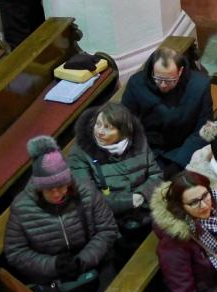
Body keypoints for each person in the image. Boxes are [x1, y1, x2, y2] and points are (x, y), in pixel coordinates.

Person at [4, 136, 119, 292]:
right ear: (39, 187)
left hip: (94, 263)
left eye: (61, 186)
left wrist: (83, 260)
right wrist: (54, 265)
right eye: (50, 189)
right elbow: (15, 252)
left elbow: (107, 229)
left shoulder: (86, 191)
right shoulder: (22, 207)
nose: (57, 193)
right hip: (52, 278)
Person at [67, 102, 162, 258]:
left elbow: (156, 175)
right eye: (98, 124)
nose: (100, 131)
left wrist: (141, 195)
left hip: (147, 212)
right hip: (113, 224)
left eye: (108, 127)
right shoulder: (81, 153)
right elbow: (88, 198)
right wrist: (129, 201)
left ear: (123, 132)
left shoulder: (138, 142)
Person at [122, 47, 214, 177]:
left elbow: (206, 129)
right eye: (158, 79)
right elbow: (126, 123)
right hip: (148, 149)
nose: (163, 85)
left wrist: (178, 163)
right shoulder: (136, 84)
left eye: (170, 80)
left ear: (180, 71)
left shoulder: (199, 85)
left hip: (183, 151)